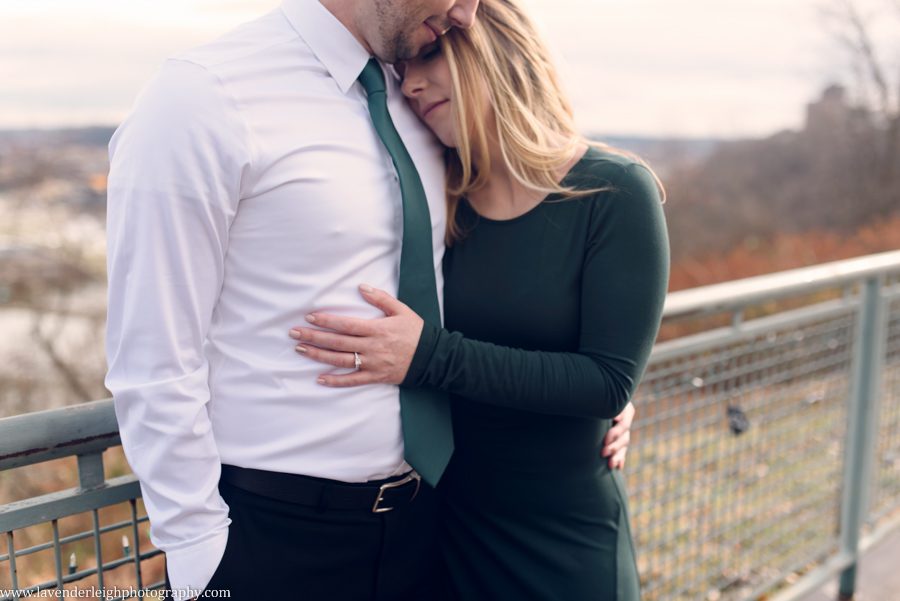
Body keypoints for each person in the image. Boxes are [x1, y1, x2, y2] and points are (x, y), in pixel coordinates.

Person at [104, 0, 636, 599]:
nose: (468, 11)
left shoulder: (418, 95)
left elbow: (514, 265)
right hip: (275, 537)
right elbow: (152, 359)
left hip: (429, 528)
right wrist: (202, 559)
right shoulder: (203, 97)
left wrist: (596, 390)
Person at [287, 0, 670, 599]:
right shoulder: (437, 198)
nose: (410, 85)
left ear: (498, 46)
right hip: (444, 535)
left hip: (563, 544)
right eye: (402, 71)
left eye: (431, 54)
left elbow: (605, 384)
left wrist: (430, 356)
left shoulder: (614, 191)